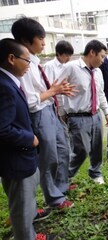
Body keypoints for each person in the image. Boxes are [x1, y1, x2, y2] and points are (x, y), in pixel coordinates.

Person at [12, 17, 75, 210]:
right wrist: (53, 91)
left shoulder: (35, 61)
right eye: (40, 39)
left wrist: (56, 90)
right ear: (25, 40)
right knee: (48, 158)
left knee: (63, 150)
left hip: (50, 109)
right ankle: (54, 198)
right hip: (39, 113)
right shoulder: (21, 64)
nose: (44, 43)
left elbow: (44, 91)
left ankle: (62, 185)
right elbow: (30, 101)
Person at [0, 38, 52, 240]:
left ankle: (29, 233)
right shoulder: (4, 86)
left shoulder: (9, 82)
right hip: (16, 159)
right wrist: (29, 138)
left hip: (21, 157)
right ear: (12, 58)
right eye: (27, 61)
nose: (30, 66)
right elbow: (2, 129)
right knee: (21, 209)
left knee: (26, 203)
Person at [58, 40, 108, 185]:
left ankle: (96, 172)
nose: (103, 60)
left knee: (97, 147)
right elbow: (58, 90)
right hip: (78, 116)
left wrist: (106, 112)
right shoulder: (71, 68)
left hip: (95, 115)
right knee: (81, 150)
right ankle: (65, 175)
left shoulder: (98, 72)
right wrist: (62, 113)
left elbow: (100, 93)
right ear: (92, 53)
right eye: (101, 56)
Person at [44, 40, 76, 192]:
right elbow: (51, 89)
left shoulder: (68, 66)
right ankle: (59, 184)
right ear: (59, 54)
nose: (68, 58)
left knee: (67, 145)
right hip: (56, 109)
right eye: (66, 55)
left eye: (70, 55)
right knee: (61, 148)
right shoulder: (50, 67)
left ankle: (64, 181)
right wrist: (59, 112)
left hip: (67, 107)